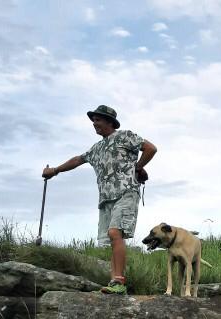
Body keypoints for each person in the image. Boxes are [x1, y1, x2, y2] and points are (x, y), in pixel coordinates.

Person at [42, 105, 157, 294]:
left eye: (98, 120)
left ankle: (119, 282)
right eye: (93, 120)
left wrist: (137, 167)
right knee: (112, 239)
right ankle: (114, 282)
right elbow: (78, 160)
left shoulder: (124, 136)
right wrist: (54, 171)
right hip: (106, 198)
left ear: (110, 122)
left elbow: (150, 149)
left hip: (126, 192)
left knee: (115, 233)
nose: (94, 124)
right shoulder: (97, 148)